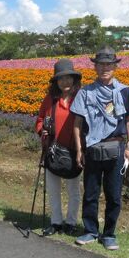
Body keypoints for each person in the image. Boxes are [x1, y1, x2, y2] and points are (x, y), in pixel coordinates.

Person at [70, 46, 129, 250]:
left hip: (117, 148)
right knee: (91, 192)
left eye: (109, 64)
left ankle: (109, 234)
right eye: (101, 64)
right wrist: (79, 149)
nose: (105, 68)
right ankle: (90, 230)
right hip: (92, 147)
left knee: (114, 194)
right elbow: (77, 123)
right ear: (95, 67)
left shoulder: (125, 91)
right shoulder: (85, 93)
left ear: (115, 66)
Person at [35, 58, 83, 236]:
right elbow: (40, 120)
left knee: (73, 190)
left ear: (74, 79)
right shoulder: (50, 99)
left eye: (69, 78)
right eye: (61, 78)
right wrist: (42, 131)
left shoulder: (80, 98)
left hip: (73, 151)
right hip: (53, 151)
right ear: (56, 81)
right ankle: (56, 222)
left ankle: (70, 222)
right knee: (53, 190)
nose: (65, 82)